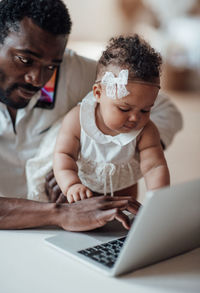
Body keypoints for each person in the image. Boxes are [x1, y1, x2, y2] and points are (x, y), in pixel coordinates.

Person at [0, 0, 182, 231]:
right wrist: (61, 211)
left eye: (51, 66)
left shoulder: (82, 72)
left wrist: (125, 152)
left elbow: (166, 110)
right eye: (25, 60)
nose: (38, 79)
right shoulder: (79, 115)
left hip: (84, 219)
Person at [53, 35, 170, 203]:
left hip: (123, 187)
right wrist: (71, 185)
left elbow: (154, 166)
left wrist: (158, 197)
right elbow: (64, 154)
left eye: (145, 110)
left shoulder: (147, 130)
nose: (135, 117)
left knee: (124, 216)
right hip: (84, 185)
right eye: (124, 108)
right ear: (98, 94)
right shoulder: (77, 120)